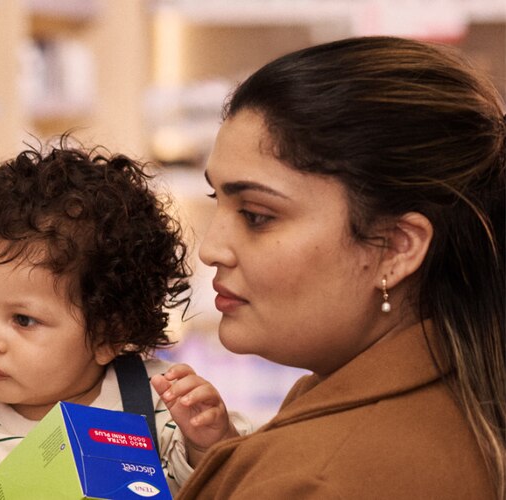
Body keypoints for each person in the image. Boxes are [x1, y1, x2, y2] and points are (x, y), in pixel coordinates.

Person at [181, 36, 505, 498]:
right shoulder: (458, 387)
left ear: (396, 247)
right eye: (218, 200)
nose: (211, 249)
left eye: (257, 215)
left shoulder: (316, 480)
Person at [0, 145, 251, 499]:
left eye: (23, 319)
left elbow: (228, 482)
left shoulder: (156, 403)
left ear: (109, 332)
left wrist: (206, 443)